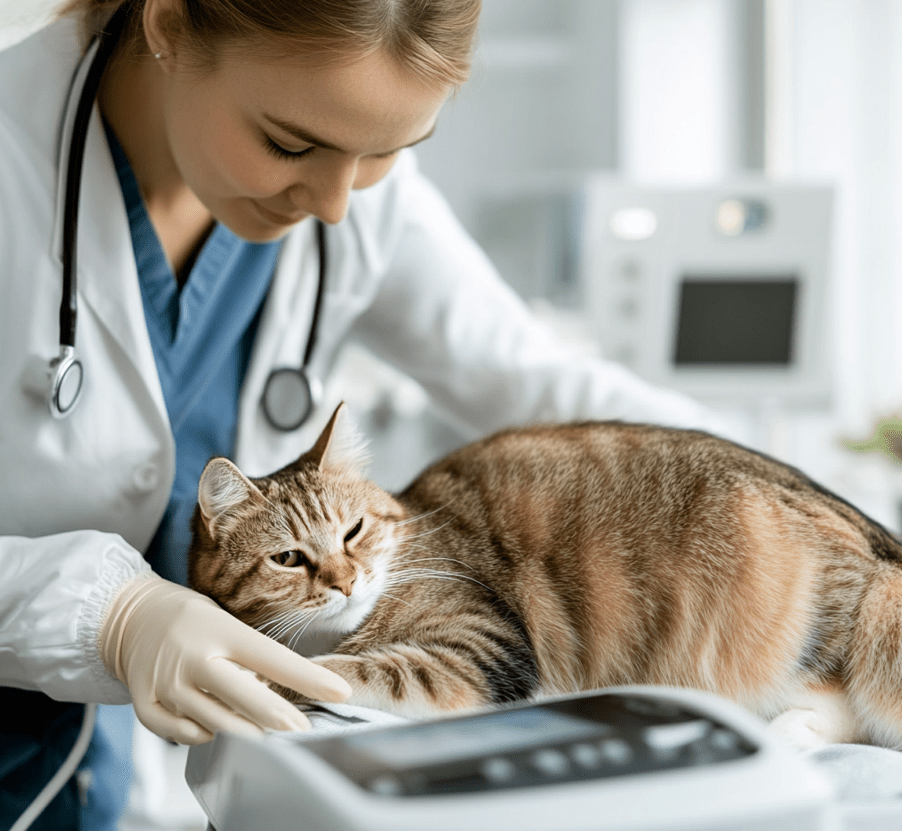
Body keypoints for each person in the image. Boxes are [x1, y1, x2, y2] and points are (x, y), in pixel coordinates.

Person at [0, 0, 725, 827]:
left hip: (173, 777)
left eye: (389, 151)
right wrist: (109, 614)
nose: (338, 203)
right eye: (288, 144)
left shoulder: (348, 177)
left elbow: (537, 382)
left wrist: (816, 513)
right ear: (167, 23)